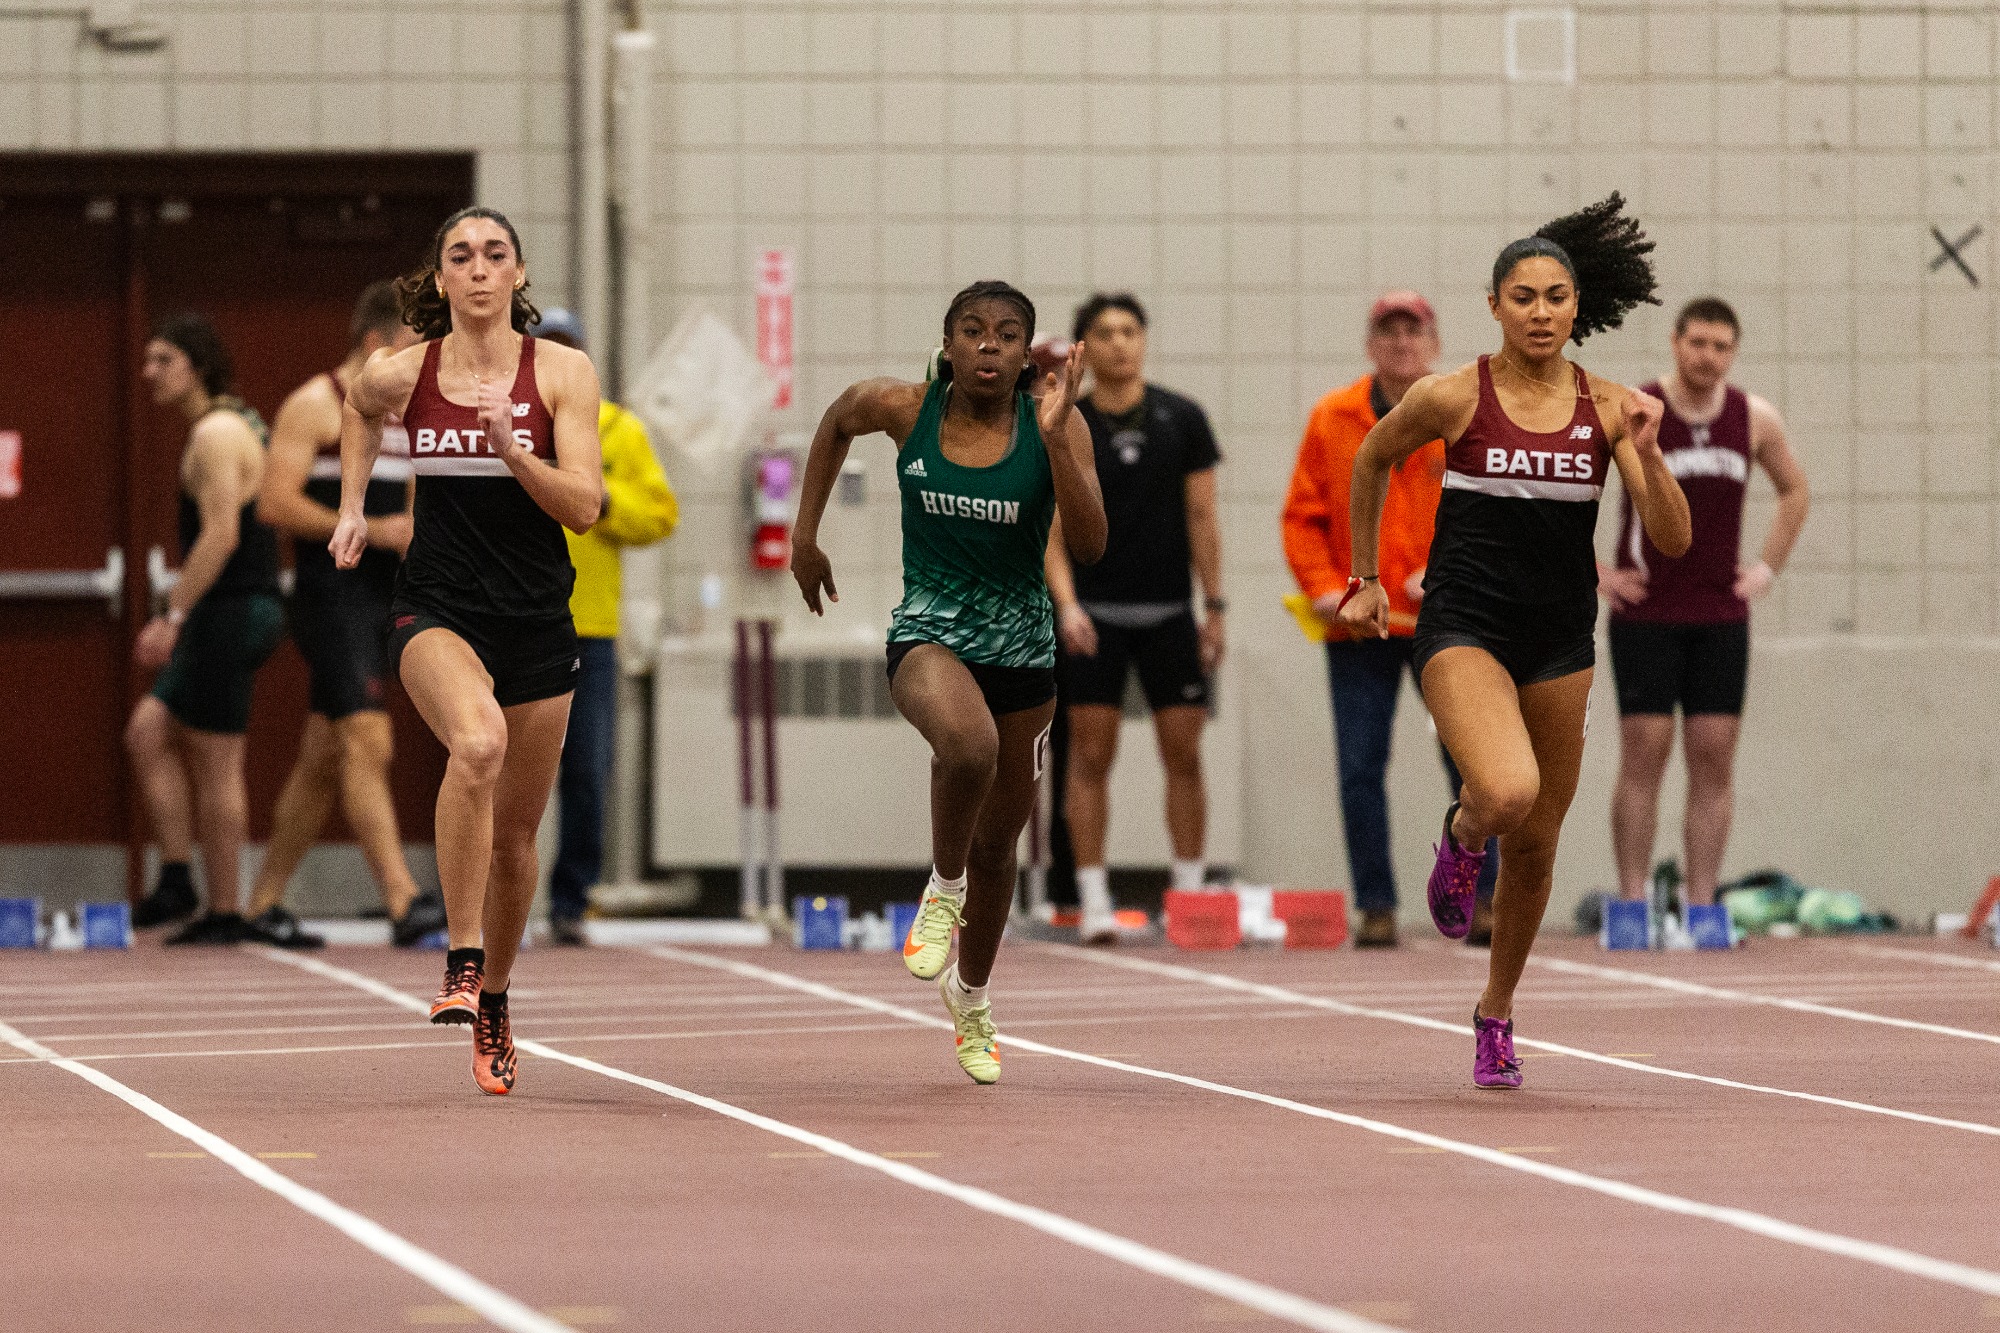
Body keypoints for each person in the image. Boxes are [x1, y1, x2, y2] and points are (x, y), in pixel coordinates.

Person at [1341, 195, 1691, 1089]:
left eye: (1556, 296)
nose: (1541, 311)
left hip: (1559, 641)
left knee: (1536, 845)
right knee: (1504, 789)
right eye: (1523, 296)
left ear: (1579, 308)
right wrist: (1367, 577)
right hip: (1464, 625)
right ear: (1494, 306)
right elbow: (1371, 458)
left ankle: (1494, 1013)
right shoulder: (1453, 395)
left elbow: (1674, 538)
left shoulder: (1612, 408)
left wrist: (1648, 455)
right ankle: (1461, 834)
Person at [790, 280, 1105, 1085]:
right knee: (967, 746)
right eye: (973, 331)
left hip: (1024, 650)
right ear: (950, 343)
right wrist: (805, 536)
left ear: (1028, 352)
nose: (989, 346)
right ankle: (942, 886)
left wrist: (1061, 438)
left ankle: (970, 996)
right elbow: (835, 418)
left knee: (1003, 844)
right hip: (930, 631)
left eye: (1006, 334)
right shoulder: (905, 409)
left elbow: (1093, 545)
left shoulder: (1053, 428)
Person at [333, 207, 604, 1096]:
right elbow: (357, 405)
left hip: (536, 616)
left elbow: (585, 506)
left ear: (518, 274)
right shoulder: (407, 372)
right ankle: (458, 952)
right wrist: (350, 507)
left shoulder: (560, 372)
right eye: (461, 256)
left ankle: (494, 995)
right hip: (437, 608)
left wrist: (512, 450)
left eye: (495, 255)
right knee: (475, 742)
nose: (479, 270)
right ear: (441, 279)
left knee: (518, 838)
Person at [1282, 292, 1500, 949]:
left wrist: (1444, 572)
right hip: (1361, 628)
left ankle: (1478, 897)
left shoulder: (1463, 413)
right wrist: (1325, 587)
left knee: (1471, 767)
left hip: (1447, 622)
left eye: (1415, 330)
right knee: (1359, 765)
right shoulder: (1333, 417)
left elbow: (1491, 512)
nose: (1403, 342)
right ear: (1371, 344)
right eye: (1390, 331)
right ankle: (1376, 906)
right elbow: (1303, 516)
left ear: (1433, 341)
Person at [247, 281, 447, 950]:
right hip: (328, 593)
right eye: (414, 346)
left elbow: (417, 509)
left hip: (386, 596)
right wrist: (372, 526)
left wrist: (414, 535)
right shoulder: (314, 405)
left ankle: (263, 900)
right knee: (368, 739)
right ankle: (402, 897)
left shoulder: (410, 415)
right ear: (375, 345)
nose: (423, 361)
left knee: (323, 756)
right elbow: (274, 503)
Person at [1600, 297, 1809, 907]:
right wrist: (1598, 574)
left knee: (1713, 757)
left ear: (1733, 353)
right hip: (1646, 611)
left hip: (1719, 614)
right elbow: (1569, 490)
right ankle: (1633, 899)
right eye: (1697, 343)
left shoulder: (1753, 418)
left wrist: (1766, 569)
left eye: (1721, 347)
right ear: (1675, 342)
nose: (1708, 357)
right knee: (1645, 755)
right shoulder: (1634, 410)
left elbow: (1794, 490)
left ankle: (1701, 902)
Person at [1043, 294, 1223, 945]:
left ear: (1143, 340)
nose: (1119, 343)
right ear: (1085, 347)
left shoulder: (1184, 418)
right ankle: (1092, 899)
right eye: (1105, 333)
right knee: (1090, 756)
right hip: (1095, 616)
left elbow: (1203, 518)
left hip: (1171, 613)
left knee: (1185, 754)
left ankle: (1191, 897)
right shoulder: (1065, 421)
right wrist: (1066, 604)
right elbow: (1051, 528)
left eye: (1129, 331)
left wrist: (1216, 606)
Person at [125, 314, 287, 944]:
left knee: (219, 763)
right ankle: (177, 878)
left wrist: (173, 615)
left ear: (194, 364)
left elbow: (222, 533)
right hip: (232, 608)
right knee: (147, 734)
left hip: (234, 608)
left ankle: (224, 908)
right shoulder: (235, 420)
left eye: (161, 360)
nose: (149, 373)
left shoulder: (219, 433)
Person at [526, 308, 679, 946]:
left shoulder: (618, 430)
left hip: (589, 628)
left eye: (570, 353)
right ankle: (491, 895)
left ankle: (570, 896)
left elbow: (661, 513)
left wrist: (603, 497)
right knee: (499, 765)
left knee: (587, 767)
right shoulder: (509, 428)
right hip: (517, 621)